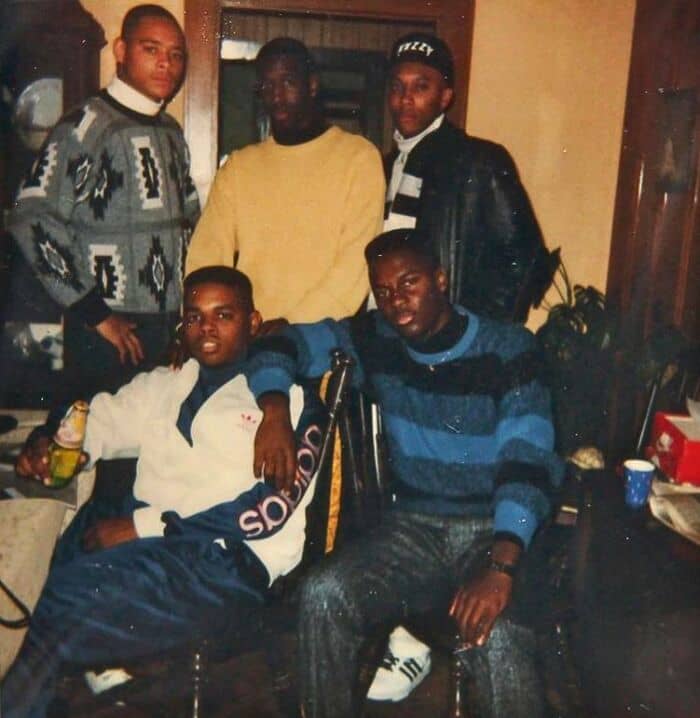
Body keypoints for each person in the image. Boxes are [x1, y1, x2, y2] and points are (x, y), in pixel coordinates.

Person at [247, 228, 563, 718]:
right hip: (412, 532)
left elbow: (528, 461)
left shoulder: (508, 349)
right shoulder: (375, 337)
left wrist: (500, 569)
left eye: (409, 283)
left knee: (496, 630)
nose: (396, 301)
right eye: (383, 290)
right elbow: (283, 343)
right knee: (323, 593)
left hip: (493, 531)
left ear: (441, 279)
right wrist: (273, 410)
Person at [0, 266, 325, 718]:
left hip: (227, 564)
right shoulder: (169, 382)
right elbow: (100, 418)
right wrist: (51, 444)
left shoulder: (286, 404)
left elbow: (264, 511)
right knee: (26, 575)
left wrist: (143, 526)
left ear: (253, 322)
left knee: (58, 599)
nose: (206, 328)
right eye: (194, 317)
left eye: (223, 315)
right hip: (152, 545)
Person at [370, 32, 558, 699]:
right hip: (403, 355)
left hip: (458, 362)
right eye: (397, 86)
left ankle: (432, 641)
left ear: (446, 95)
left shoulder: (478, 160)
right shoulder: (385, 161)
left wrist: (476, 335)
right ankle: (411, 635)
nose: (406, 99)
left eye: (421, 86)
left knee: (470, 502)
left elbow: (528, 255)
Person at [7, 4, 200, 400]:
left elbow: (191, 222)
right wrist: (96, 313)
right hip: (109, 330)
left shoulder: (171, 132)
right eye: (151, 49)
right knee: (98, 433)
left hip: (166, 329)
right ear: (121, 51)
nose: (166, 63)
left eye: (176, 54)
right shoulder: (88, 126)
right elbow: (31, 216)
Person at [185, 37, 385, 330]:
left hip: (324, 337)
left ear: (312, 85)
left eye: (288, 82)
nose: (276, 96)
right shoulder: (239, 167)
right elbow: (207, 256)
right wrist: (202, 322)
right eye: (267, 85)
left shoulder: (359, 157)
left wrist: (290, 327)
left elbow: (356, 265)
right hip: (249, 337)